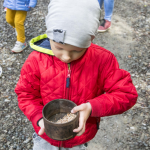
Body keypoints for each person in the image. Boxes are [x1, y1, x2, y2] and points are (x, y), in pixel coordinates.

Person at [15, 0, 138, 149]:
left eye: (77, 50)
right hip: (45, 135)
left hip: (79, 137)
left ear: (91, 39)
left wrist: (92, 106)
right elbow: (25, 94)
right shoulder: (36, 59)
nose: (66, 57)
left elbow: (126, 94)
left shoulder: (103, 60)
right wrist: (38, 117)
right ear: (49, 36)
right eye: (59, 48)